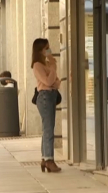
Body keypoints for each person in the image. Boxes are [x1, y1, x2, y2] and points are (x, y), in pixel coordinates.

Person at [32, 38, 62, 173]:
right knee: (48, 128)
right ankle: (49, 160)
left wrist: (52, 68)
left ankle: (45, 158)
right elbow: (48, 81)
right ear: (40, 50)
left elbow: (57, 82)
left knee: (48, 128)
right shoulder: (37, 65)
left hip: (51, 95)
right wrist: (53, 69)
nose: (49, 50)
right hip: (44, 96)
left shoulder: (47, 63)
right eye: (47, 48)